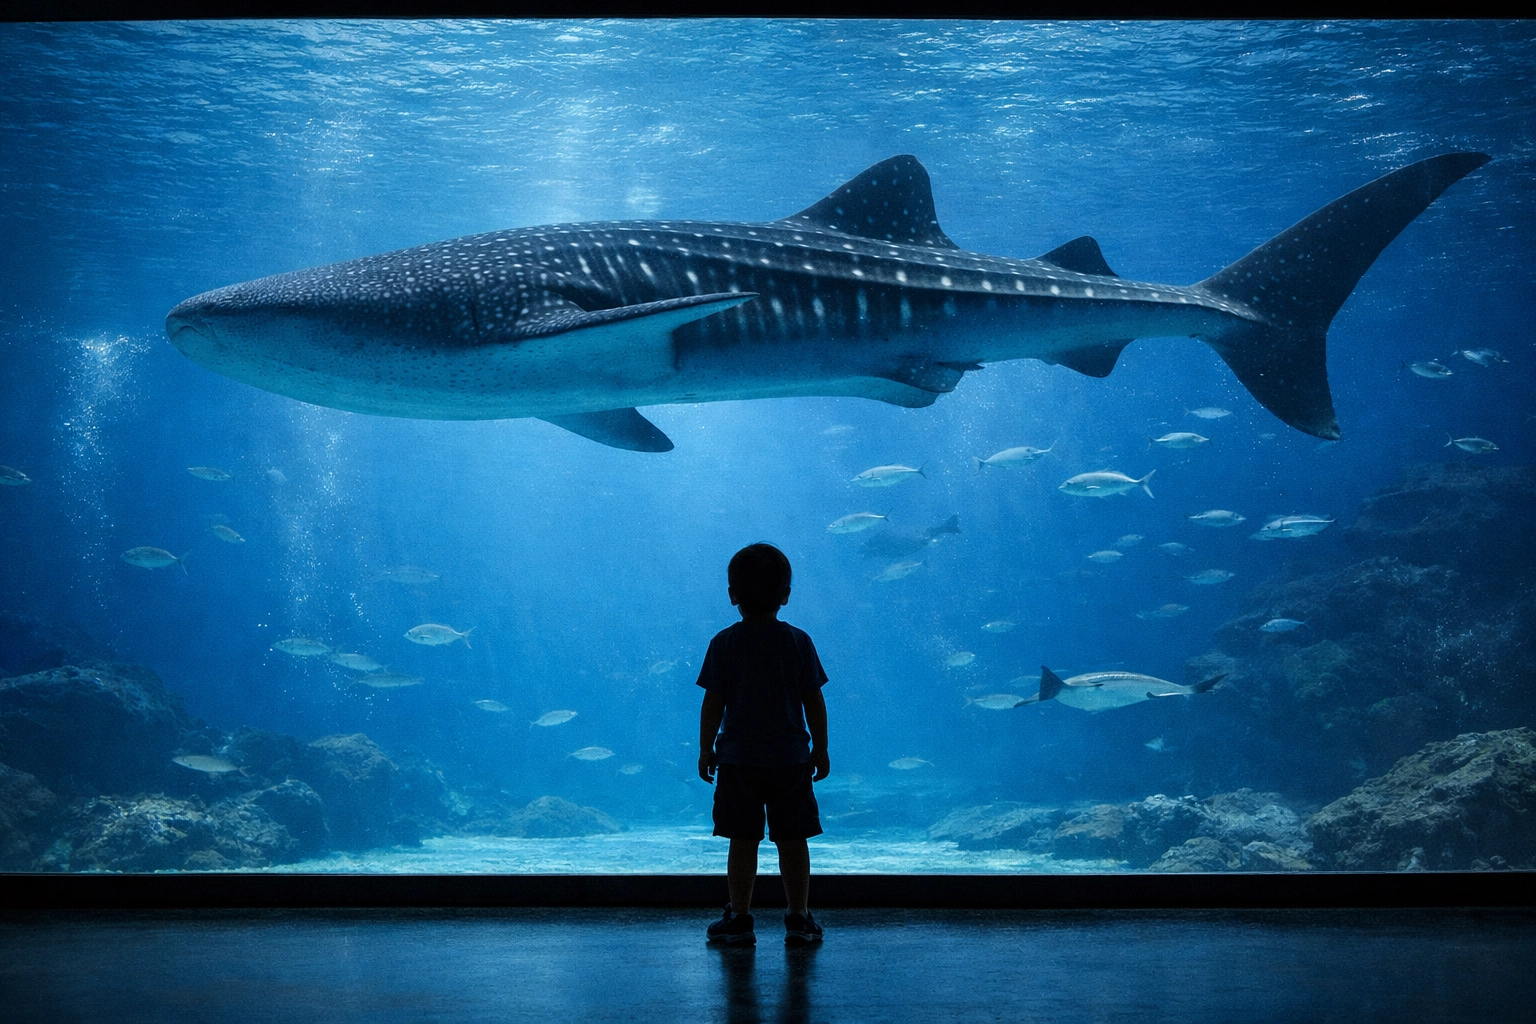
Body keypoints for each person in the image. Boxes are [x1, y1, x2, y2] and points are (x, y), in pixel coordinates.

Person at [697, 542, 829, 948]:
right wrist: (821, 748)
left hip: (738, 761)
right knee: (793, 840)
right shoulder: (798, 641)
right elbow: (813, 700)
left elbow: (713, 702)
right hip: (790, 760)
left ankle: (739, 918)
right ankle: (798, 917)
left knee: (742, 840)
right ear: (785, 595)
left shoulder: (724, 643)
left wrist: (706, 748)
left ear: (732, 595)